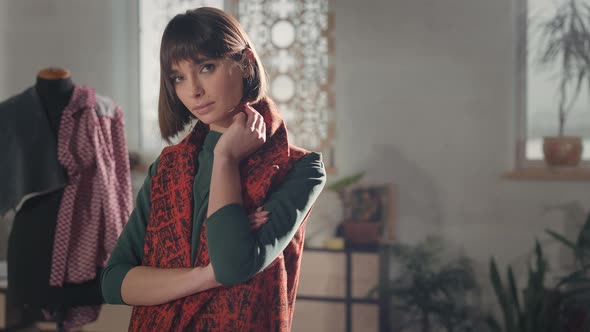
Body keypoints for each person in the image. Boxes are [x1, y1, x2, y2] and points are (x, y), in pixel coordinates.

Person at [100, 7, 326, 331]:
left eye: (206, 67)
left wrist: (225, 159)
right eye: (178, 77)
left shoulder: (300, 168)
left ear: (245, 61)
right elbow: (113, 282)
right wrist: (206, 274)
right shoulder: (166, 168)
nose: (193, 90)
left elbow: (233, 266)